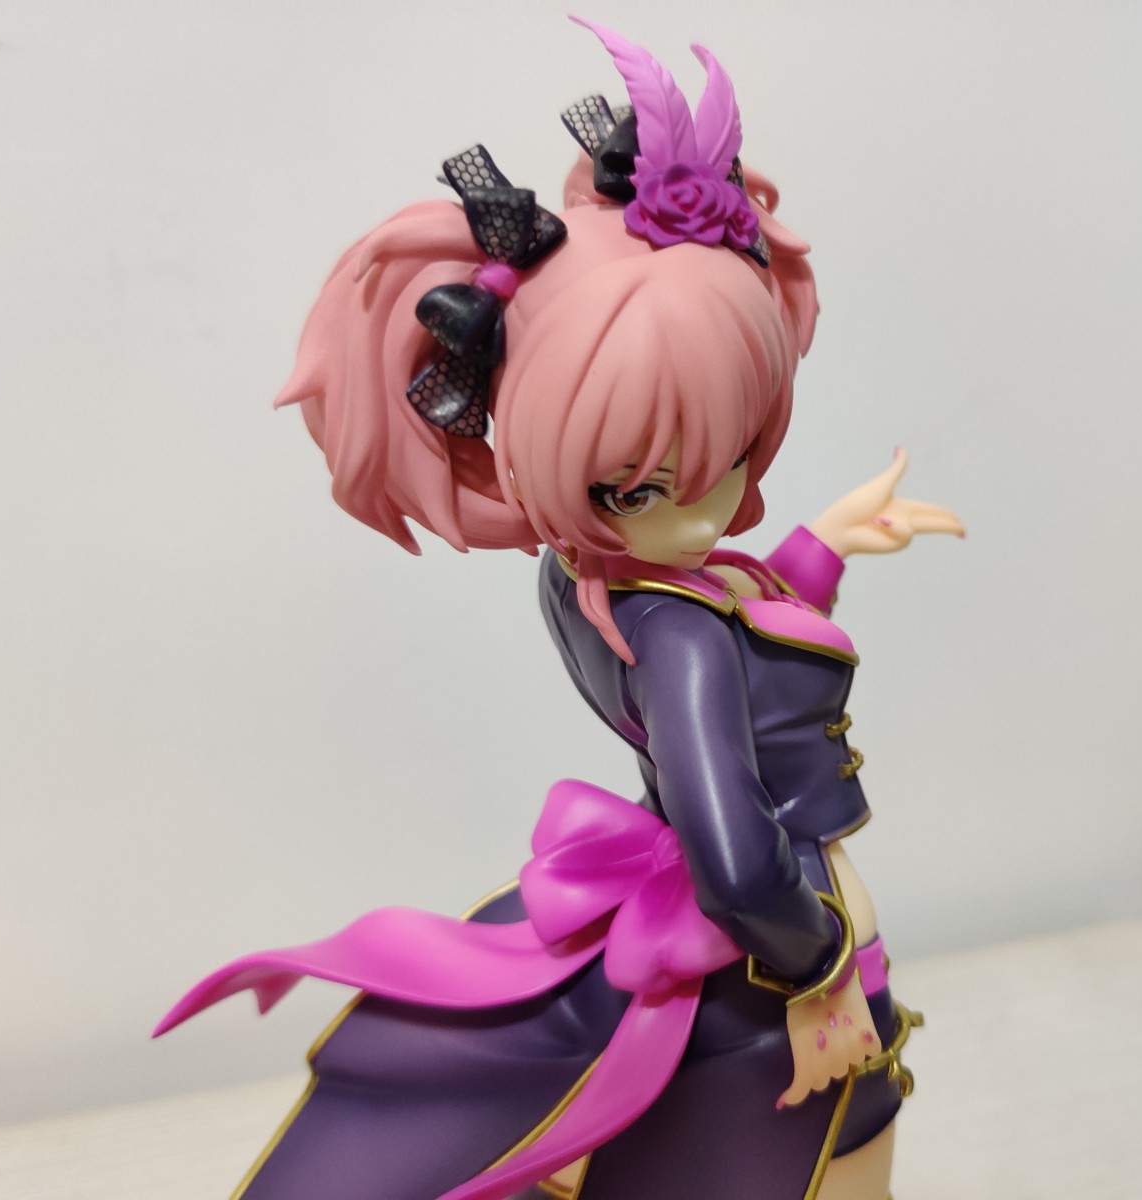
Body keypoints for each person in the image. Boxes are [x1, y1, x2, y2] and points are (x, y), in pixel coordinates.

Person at [155, 19, 962, 1200]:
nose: (704, 507)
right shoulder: (678, 634)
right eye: (638, 485)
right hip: (778, 946)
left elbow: (742, 617)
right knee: (828, 1154)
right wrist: (823, 964)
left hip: (734, 924)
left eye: (731, 450)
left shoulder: (602, 576)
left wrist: (822, 544)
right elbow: (739, 864)